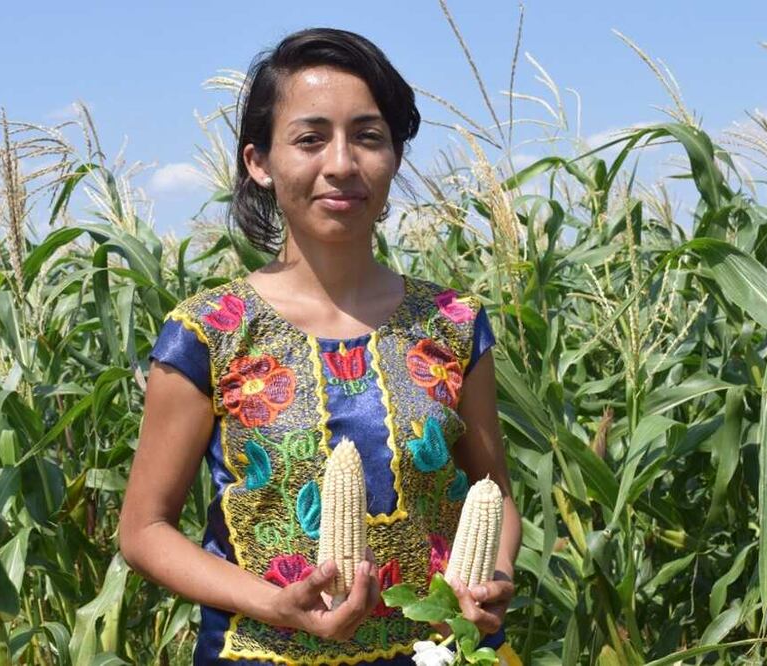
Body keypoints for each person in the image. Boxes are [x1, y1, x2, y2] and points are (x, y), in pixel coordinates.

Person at [118, 27, 522, 665]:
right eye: (310, 139)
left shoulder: (453, 323)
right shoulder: (209, 331)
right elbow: (144, 530)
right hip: (261, 652)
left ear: (394, 157)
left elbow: (494, 494)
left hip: (438, 652)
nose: (341, 164)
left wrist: (491, 580)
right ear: (259, 162)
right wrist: (272, 603)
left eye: (368, 137)